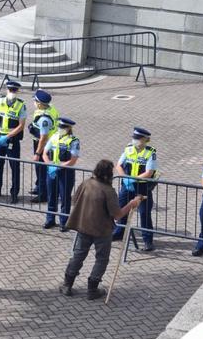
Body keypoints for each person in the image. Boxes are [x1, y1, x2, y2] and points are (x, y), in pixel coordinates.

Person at [60, 160, 143, 300]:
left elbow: (75, 200)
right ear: (108, 174)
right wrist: (132, 204)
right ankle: (92, 289)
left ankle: (67, 284)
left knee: (78, 255)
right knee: (102, 259)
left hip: (83, 226)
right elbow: (117, 215)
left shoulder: (86, 183)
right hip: (102, 230)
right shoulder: (108, 191)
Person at [112, 127, 158, 252]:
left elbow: (149, 173)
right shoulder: (128, 149)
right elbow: (119, 165)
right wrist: (125, 178)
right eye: (134, 138)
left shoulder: (150, 152)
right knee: (122, 208)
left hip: (142, 187)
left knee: (144, 213)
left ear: (145, 140)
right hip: (127, 184)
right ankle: (119, 232)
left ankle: (148, 241)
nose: (135, 140)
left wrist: (133, 179)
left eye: (138, 139)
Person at [0, 81, 26, 204]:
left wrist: (7, 136)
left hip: (12, 141)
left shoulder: (21, 105)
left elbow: (21, 125)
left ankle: (14, 194)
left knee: (14, 167)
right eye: (10, 90)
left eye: (14, 91)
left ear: (17, 92)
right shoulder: (0, 101)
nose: (12, 93)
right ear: (7, 90)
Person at [42, 117, 80, 231]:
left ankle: (64, 222)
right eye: (59, 126)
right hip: (52, 171)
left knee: (64, 198)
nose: (60, 128)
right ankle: (50, 220)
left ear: (69, 128)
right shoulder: (54, 136)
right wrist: (49, 164)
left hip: (65, 172)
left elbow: (73, 160)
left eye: (63, 127)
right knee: (51, 196)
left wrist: (58, 166)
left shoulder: (73, 141)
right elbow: (45, 153)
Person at [28, 89, 58, 204]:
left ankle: (43, 195)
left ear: (40, 103)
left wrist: (37, 153)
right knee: (40, 169)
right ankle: (39, 188)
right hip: (45, 143)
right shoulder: (49, 109)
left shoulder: (45, 118)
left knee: (42, 169)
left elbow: (43, 137)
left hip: (44, 145)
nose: (34, 102)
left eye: (35, 101)